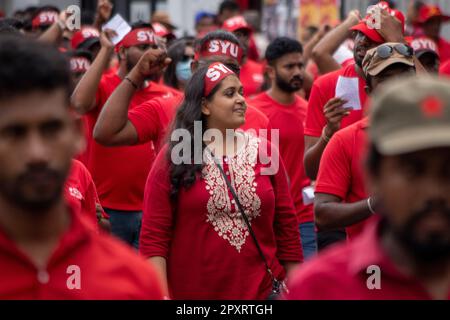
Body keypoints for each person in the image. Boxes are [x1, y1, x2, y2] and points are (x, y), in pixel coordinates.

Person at [0, 35, 163, 299]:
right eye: (14, 133)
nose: (37, 153)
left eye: (51, 129)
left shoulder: (132, 281)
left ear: (77, 133)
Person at [140, 62, 302, 299]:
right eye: (229, 94)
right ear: (205, 106)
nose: (241, 100)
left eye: (241, 92)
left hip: (262, 293)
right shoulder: (174, 156)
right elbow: (154, 237)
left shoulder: (265, 152)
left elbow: (287, 227)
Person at [287, 76, 450, 300]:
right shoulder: (321, 288)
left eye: (447, 172)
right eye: (413, 171)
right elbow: (322, 212)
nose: (434, 192)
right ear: (374, 175)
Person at [304, 5, 406, 250]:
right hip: (345, 228)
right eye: (360, 35)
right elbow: (310, 170)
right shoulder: (328, 83)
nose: (361, 44)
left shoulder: (413, 100)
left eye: (373, 39)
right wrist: (328, 134)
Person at [70, 22, 177, 248]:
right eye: (141, 45)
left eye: (152, 45)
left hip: (151, 207)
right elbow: (78, 103)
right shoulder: (104, 84)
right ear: (123, 51)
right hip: (108, 209)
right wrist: (106, 49)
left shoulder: (166, 95)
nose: (149, 51)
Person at [93, 30, 269, 153]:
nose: (221, 74)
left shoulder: (258, 120)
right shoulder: (164, 108)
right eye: (212, 66)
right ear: (194, 68)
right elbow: (106, 134)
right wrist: (137, 74)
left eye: (230, 67)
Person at [314, 42, 416, 242]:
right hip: (373, 267)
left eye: (405, 77)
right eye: (386, 80)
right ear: (370, 92)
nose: (397, 87)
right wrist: (375, 204)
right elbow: (322, 214)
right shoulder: (345, 140)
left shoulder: (437, 133)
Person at [250, 37, 316, 259]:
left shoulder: (310, 110)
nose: (297, 72)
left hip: (304, 220)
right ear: (270, 71)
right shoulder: (251, 111)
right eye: (289, 66)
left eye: (300, 65)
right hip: (264, 220)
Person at [222, 15, 264, 97]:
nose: (243, 39)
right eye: (237, 35)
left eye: (246, 35)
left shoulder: (261, 69)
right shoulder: (216, 71)